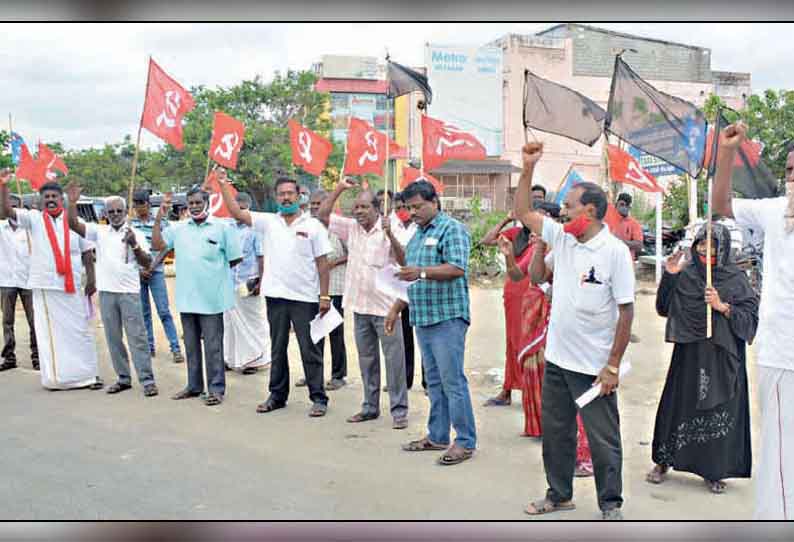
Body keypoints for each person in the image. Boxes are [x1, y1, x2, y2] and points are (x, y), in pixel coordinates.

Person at [514, 143, 634, 520]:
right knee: (557, 433)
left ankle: (610, 503)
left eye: (569, 205)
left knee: (603, 440)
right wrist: (528, 166)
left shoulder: (614, 252)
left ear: (592, 211)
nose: (563, 211)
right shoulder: (563, 237)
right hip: (558, 359)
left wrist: (612, 365)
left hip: (594, 366)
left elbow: (626, 312)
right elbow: (523, 214)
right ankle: (559, 493)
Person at [713, 123, 794, 520]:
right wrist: (727, 153)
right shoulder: (776, 211)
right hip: (783, 356)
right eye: (791, 170)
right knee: (781, 456)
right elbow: (722, 204)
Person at [648, 223, 757, 494]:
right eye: (701, 245)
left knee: (719, 410)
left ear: (723, 249)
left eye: (712, 246)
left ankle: (714, 469)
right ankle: (664, 461)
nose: (705, 251)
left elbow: (751, 320)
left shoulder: (736, 279)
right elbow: (663, 308)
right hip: (690, 353)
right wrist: (670, 276)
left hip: (724, 357)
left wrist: (723, 306)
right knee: (678, 404)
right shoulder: (687, 275)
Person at [217, 171, 332, 418]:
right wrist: (223, 183)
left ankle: (318, 398)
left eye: (290, 193)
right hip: (276, 297)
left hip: (306, 298)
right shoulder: (269, 221)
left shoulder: (313, 226)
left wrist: (324, 297)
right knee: (277, 349)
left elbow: (323, 263)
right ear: (276, 197)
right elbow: (237, 213)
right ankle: (277, 396)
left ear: (299, 195)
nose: (286, 197)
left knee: (309, 349)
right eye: (281, 194)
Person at [385, 179, 477, 466]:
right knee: (434, 382)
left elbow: (457, 267)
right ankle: (437, 435)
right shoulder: (417, 234)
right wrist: (395, 308)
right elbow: (409, 274)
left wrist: (421, 273)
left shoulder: (452, 229)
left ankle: (464, 441)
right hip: (423, 317)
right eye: (409, 208)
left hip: (447, 317)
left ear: (434, 202)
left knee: (452, 381)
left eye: (418, 206)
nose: (413, 213)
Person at [318, 178, 409, 430]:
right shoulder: (352, 228)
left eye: (364, 207)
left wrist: (390, 234)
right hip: (359, 306)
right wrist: (339, 188)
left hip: (386, 309)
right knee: (367, 360)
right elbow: (323, 214)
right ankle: (370, 407)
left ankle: (399, 410)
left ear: (377, 209)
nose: (358, 212)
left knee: (394, 361)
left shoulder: (393, 228)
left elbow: (405, 261)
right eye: (356, 207)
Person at [0, 171, 103, 391]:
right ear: (40, 201)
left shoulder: (75, 222)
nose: (50, 200)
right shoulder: (34, 219)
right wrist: (3, 186)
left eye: (54, 197)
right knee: (51, 335)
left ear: (61, 199)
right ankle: (57, 379)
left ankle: (87, 375)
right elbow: (5, 210)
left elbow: (87, 254)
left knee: (80, 331)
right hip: (46, 286)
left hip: (72, 285)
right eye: (46, 198)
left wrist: (91, 281)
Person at [151, 186, 242, 407]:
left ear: (207, 203)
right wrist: (159, 218)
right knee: (191, 345)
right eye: (190, 203)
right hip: (187, 297)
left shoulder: (223, 227)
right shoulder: (179, 228)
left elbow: (235, 258)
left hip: (212, 299)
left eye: (197, 202)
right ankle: (194, 386)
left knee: (213, 346)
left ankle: (216, 389)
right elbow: (158, 245)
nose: (193, 206)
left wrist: (212, 274)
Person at [65, 184, 159, 397]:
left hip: (129, 293)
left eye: (119, 211)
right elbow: (72, 223)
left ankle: (147, 380)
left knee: (137, 338)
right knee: (113, 338)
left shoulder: (134, 233)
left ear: (126, 213)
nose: (115, 214)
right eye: (111, 211)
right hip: (107, 292)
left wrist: (134, 245)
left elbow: (147, 264)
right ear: (105, 214)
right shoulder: (99, 232)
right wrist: (71, 202)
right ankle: (123, 378)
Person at [130, 190, 184, 364]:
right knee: (143, 311)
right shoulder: (130, 224)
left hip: (156, 271)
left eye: (142, 203)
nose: (139, 207)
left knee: (163, 311)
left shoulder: (161, 222)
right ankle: (150, 346)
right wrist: (140, 270)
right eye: (136, 204)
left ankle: (175, 347)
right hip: (138, 273)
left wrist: (151, 266)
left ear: (148, 203)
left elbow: (166, 247)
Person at [223, 192, 270, 375]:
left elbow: (262, 257)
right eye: (237, 208)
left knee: (254, 322)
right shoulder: (227, 228)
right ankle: (231, 359)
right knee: (229, 323)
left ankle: (258, 359)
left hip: (248, 283)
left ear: (248, 209)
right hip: (228, 282)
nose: (239, 212)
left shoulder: (255, 229)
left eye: (242, 209)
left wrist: (261, 282)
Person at [306, 189, 348, 390]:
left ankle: (338, 375)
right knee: (315, 333)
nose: (315, 207)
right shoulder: (306, 227)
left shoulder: (339, 227)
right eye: (313, 204)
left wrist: (332, 262)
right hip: (311, 288)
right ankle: (314, 373)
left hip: (335, 287)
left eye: (319, 203)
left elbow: (353, 252)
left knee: (335, 333)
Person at [0, 193, 38, 371]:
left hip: (28, 280)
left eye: (15, 205)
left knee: (34, 320)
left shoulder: (30, 228)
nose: (12, 209)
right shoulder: (1, 228)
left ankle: (37, 357)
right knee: (7, 321)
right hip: (7, 279)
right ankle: (9, 357)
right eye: (9, 205)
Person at [390, 191, 424, 391]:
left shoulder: (419, 228)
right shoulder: (391, 226)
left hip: (418, 284)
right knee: (404, 337)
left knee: (423, 334)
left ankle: (428, 380)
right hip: (398, 286)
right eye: (397, 208)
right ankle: (406, 378)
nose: (401, 211)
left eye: (405, 207)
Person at [611, 193, 644, 261]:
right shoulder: (607, 219)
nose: (624, 207)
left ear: (629, 207)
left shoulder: (634, 224)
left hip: (626, 263)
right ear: (616, 204)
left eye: (627, 205)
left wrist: (620, 241)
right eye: (622, 204)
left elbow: (639, 245)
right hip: (608, 263)